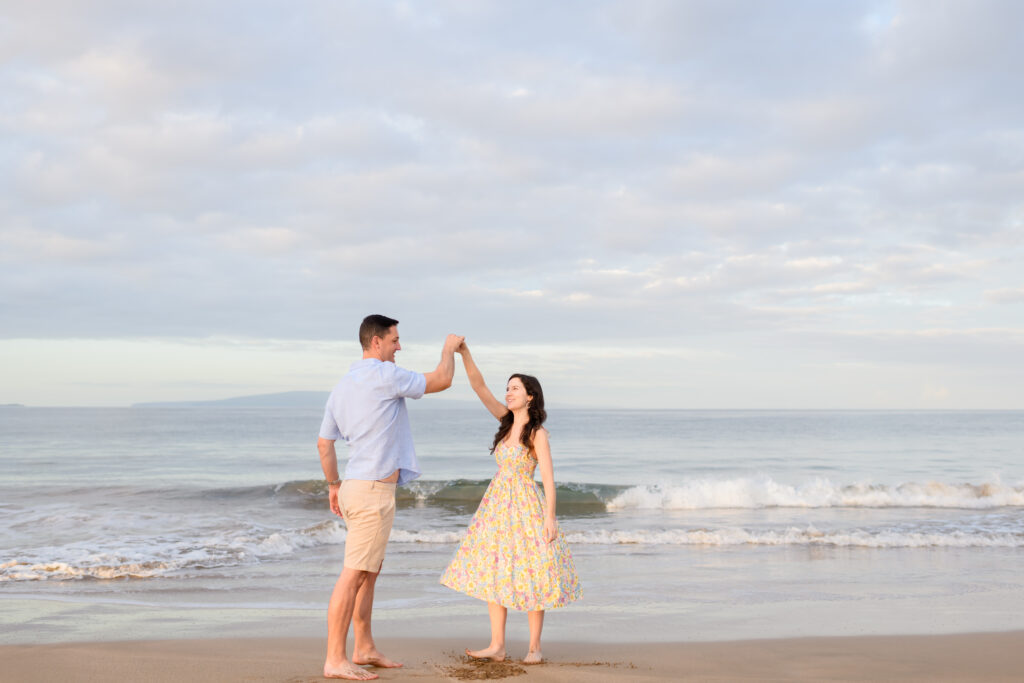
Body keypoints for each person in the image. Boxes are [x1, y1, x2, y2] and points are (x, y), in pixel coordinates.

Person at [318, 314, 463, 680]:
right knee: (353, 576)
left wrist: (334, 485)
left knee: (369, 572)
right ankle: (335, 659)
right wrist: (448, 349)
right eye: (395, 340)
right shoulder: (384, 375)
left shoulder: (342, 386)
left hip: (354, 487)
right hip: (371, 493)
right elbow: (442, 380)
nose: (399, 346)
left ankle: (363, 646)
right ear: (376, 342)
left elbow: (325, 444)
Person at [440, 342, 581, 664]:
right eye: (507, 388)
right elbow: (478, 386)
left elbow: (547, 478)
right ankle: (497, 645)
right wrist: (464, 354)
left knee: (535, 571)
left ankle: (534, 648)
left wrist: (550, 518)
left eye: (515, 388)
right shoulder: (505, 421)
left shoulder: (537, 433)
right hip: (496, 508)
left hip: (526, 506)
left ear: (530, 395)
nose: (508, 393)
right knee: (494, 571)